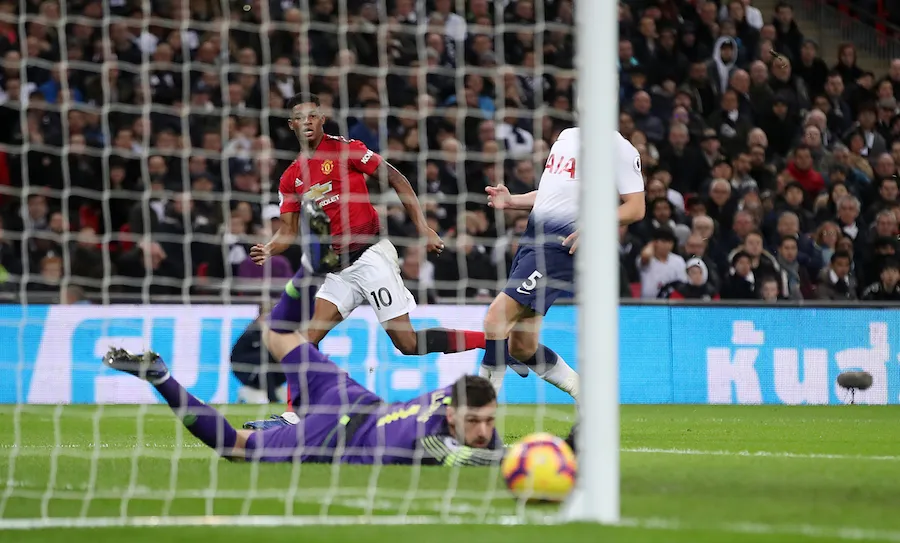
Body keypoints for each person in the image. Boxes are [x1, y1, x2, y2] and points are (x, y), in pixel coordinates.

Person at [250, 92, 486, 361]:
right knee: (305, 340)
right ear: (291, 124)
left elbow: (396, 178)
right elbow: (288, 231)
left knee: (407, 343)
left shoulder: (346, 149)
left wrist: (423, 227)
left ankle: (489, 342)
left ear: (322, 119)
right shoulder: (290, 177)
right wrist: (268, 248)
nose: (307, 122)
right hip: (337, 268)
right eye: (300, 118)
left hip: (370, 256)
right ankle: (311, 391)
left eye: (312, 116)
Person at [101, 329, 506, 466]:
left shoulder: (451, 395)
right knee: (235, 447)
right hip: (332, 436)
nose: (483, 430)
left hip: (354, 397)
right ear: (451, 416)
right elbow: (479, 459)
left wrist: (492, 436)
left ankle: (313, 265)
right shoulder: (430, 442)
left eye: (488, 421)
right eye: (475, 422)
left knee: (279, 333)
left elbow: (482, 435)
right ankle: (161, 378)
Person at [477, 129, 646, 398]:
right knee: (522, 346)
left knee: (496, 319)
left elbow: (636, 207)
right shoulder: (566, 137)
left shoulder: (619, 148)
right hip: (531, 240)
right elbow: (551, 194)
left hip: (561, 245)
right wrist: (513, 201)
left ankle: (480, 409)